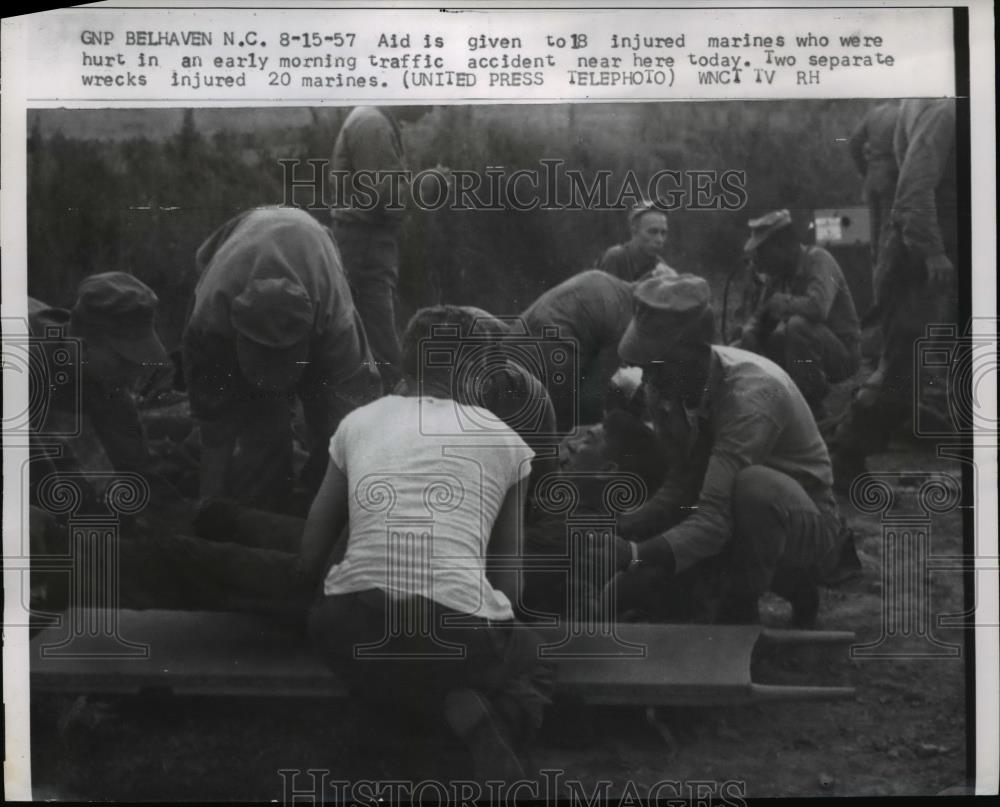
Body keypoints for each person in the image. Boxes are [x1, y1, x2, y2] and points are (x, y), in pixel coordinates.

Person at [296, 307, 554, 783]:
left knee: (377, 639)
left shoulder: (358, 422)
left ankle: (389, 718)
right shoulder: (507, 440)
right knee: (533, 653)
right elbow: (509, 589)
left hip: (351, 627)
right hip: (457, 636)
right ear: (479, 375)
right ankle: (487, 719)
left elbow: (311, 555)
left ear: (407, 362)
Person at [591, 274, 847, 627]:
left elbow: (713, 520)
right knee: (632, 589)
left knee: (753, 487)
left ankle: (755, 599)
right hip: (728, 509)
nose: (648, 380)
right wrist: (624, 528)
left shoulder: (754, 395)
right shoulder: (668, 387)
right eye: (644, 367)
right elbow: (682, 483)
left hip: (804, 520)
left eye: (656, 365)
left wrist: (634, 554)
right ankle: (717, 590)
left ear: (696, 351)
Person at [182, 207, 381, 514]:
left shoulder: (335, 321)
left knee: (337, 429)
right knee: (264, 432)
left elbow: (353, 408)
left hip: (313, 248)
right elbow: (215, 426)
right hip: (243, 236)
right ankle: (263, 508)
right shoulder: (209, 321)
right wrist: (209, 504)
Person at [830, 99, 959, 488]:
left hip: (946, 253)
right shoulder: (947, 112)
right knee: (905, 366)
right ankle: (845, 453)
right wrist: (931, 251)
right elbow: (913, 190)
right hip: (919, 259)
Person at [28, 272, 180, 509]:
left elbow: (136, 466)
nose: (133, 375)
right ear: (84, 346)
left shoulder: (106, 380)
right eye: (124, 362)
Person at [330, 105, 431, 392]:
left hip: (367, 244)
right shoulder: (373, 125)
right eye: (431, 99)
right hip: (365, 247)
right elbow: (385, 200)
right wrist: (428, 187)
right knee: (383, 353)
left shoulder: (375, 121)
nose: (432, 110)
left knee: (371, 345)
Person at [735, 210, 861, 417]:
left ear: (782, 245)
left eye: (762, 251)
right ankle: (769, 402)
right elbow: (759, 320)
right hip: (808, 350)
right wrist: (747, 335)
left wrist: (780, 302)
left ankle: (813, 407)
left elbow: (818, 308)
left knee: (797, 326)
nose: (758, 259)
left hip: (843, 353)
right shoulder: (777, 275)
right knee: (759, 338)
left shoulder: (818, 259)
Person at [520, 269, 636, 432]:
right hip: (544, 368)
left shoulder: (601, 278)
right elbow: (590, 399)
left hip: (513, 349)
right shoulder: (625, 315)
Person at [848, 101, 901, 266]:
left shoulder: (874, 113)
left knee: (875, 233)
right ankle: (885, 281)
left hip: (873, 177)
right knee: (888, 232)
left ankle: (877, 276)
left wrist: (866, 171)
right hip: (892, 179)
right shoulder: (903, 114)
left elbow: (854, 142)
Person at [598, 200, 677, 282]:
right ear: (634, 230)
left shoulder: (661, 268)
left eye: (663, 233)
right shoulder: (615, 258)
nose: (659, 239)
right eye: (653, 232)